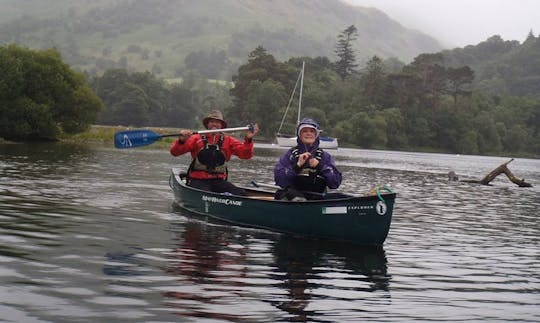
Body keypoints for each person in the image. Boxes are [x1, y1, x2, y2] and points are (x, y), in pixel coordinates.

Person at [170, 110, 259, 196]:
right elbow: (175, 152)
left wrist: (248, 139)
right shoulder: (196, 138)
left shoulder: (228, 140)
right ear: (207, 124)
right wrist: (181, 141)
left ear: (221, 125)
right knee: (206, 193)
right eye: (212, 121)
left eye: (217, 122)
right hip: (198, 180)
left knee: (241, 193)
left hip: (218, 181)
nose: (214, 124)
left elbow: (246, 155)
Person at [274, 118, 342, 201]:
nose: (308, 133)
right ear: (299, 134)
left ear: (316, 134)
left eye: (312, 131)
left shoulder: (325, 156)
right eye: (305, 131)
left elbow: (335, 183)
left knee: (340, 196)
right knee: (291, 195)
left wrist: (320, 166)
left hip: (317, 199)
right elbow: (281, 181)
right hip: (294, 198)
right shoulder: (290, 155)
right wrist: (297, 166)